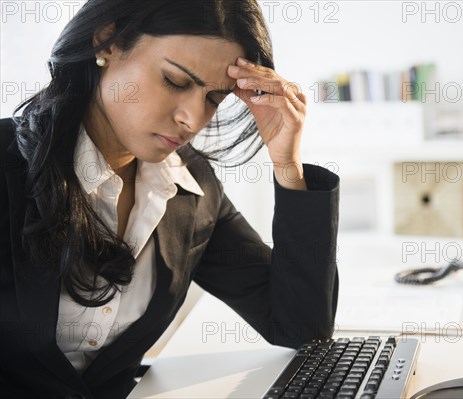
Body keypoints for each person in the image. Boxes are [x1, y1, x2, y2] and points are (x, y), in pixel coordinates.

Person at [0, 1, 339, 397]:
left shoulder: (190, 190)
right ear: (106, 42)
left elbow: (300, 326)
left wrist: (288, 168)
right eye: (175, 81)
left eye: (214, 98)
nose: (193, 120)